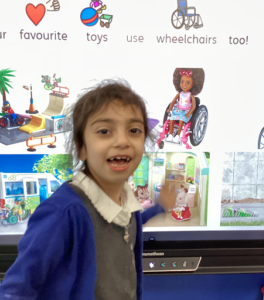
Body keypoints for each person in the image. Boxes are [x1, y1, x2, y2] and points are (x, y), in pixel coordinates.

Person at [0, 79, 174, 300]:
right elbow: (17, 288)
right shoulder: (62, 213)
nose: (122, 141)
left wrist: (160, 206)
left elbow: (125, 221)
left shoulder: (126, 203)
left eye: (134, 130)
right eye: (104, 131)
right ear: (81, 148)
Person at [166, 68, 205, 143]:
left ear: (193, 84)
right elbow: (173, 101)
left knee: (181, 119)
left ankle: (177, 136)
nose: (184, 85)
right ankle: (170, 135)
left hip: (186, 111)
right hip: (178, 109)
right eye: (182, 82)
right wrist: (170, 108)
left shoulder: (191, 96)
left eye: (188, 83)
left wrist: (189, 113)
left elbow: (193, 106)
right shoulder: (179, 94)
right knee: (171, 118)